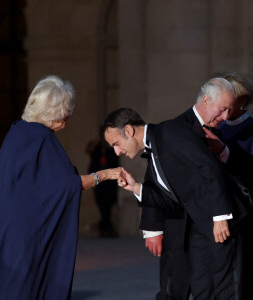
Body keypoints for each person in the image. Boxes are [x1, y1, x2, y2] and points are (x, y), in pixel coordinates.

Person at [0, 75, 124, 300]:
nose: (70, 114)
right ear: (55, 110)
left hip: (3, 228)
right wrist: (103, 175)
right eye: (68, 108)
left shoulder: (17, 132)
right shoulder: (41, 138)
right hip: (25, 235)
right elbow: (62, 187)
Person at [103, 78, 250, 299]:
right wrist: (135, 187)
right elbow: (173, 199)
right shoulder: (154, 146)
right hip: (200, 228)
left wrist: (220, 216)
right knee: (202, 288)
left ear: (129, 130)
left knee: (227, 289)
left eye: (116, 144)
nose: (117, 152)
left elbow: (208, 168)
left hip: (222, 221)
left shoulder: (169, 132)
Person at [203, 72, 253, 300]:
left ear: (241, 101)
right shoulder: (214, 125)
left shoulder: (250, 128)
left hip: (242, 209)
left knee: (238, 274)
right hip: (212, 207)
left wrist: (223, 151)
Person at [86, 133, 119, 237]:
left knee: (108, 204)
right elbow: (88, 150)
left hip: (110, 181)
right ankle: (106, 228)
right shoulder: (96, 147)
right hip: (98, 180)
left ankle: (105, 227)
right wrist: (97, 141)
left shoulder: (111, 147)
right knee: (101, 203)